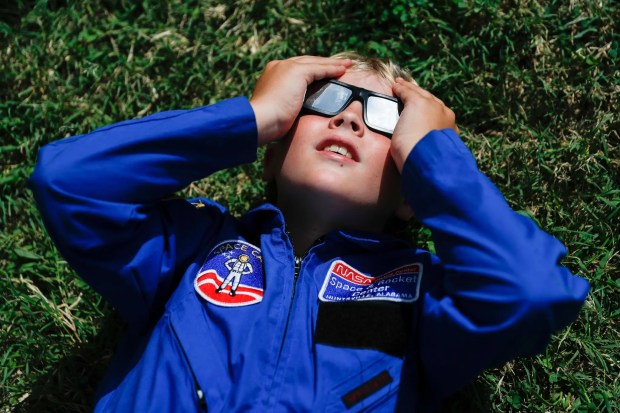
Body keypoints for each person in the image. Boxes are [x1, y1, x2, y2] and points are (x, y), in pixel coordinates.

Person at [29, 53, 590, 412]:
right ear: (271, 156)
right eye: (324, 102)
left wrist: (433, 160)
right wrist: (250, 117)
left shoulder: (419, 302)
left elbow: (529, 291)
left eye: (385, 118)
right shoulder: (191, 252)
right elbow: (69, 184)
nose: (348, 119)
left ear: (409, 194)